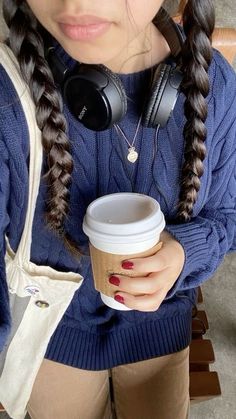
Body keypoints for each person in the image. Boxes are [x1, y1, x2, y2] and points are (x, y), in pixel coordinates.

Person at [0, 0, 235, 418]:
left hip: (161, 328)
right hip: (54, 331)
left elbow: (228, 214)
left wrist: (183, 253)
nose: (76, 3)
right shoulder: (9, 97)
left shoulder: (215, 84)